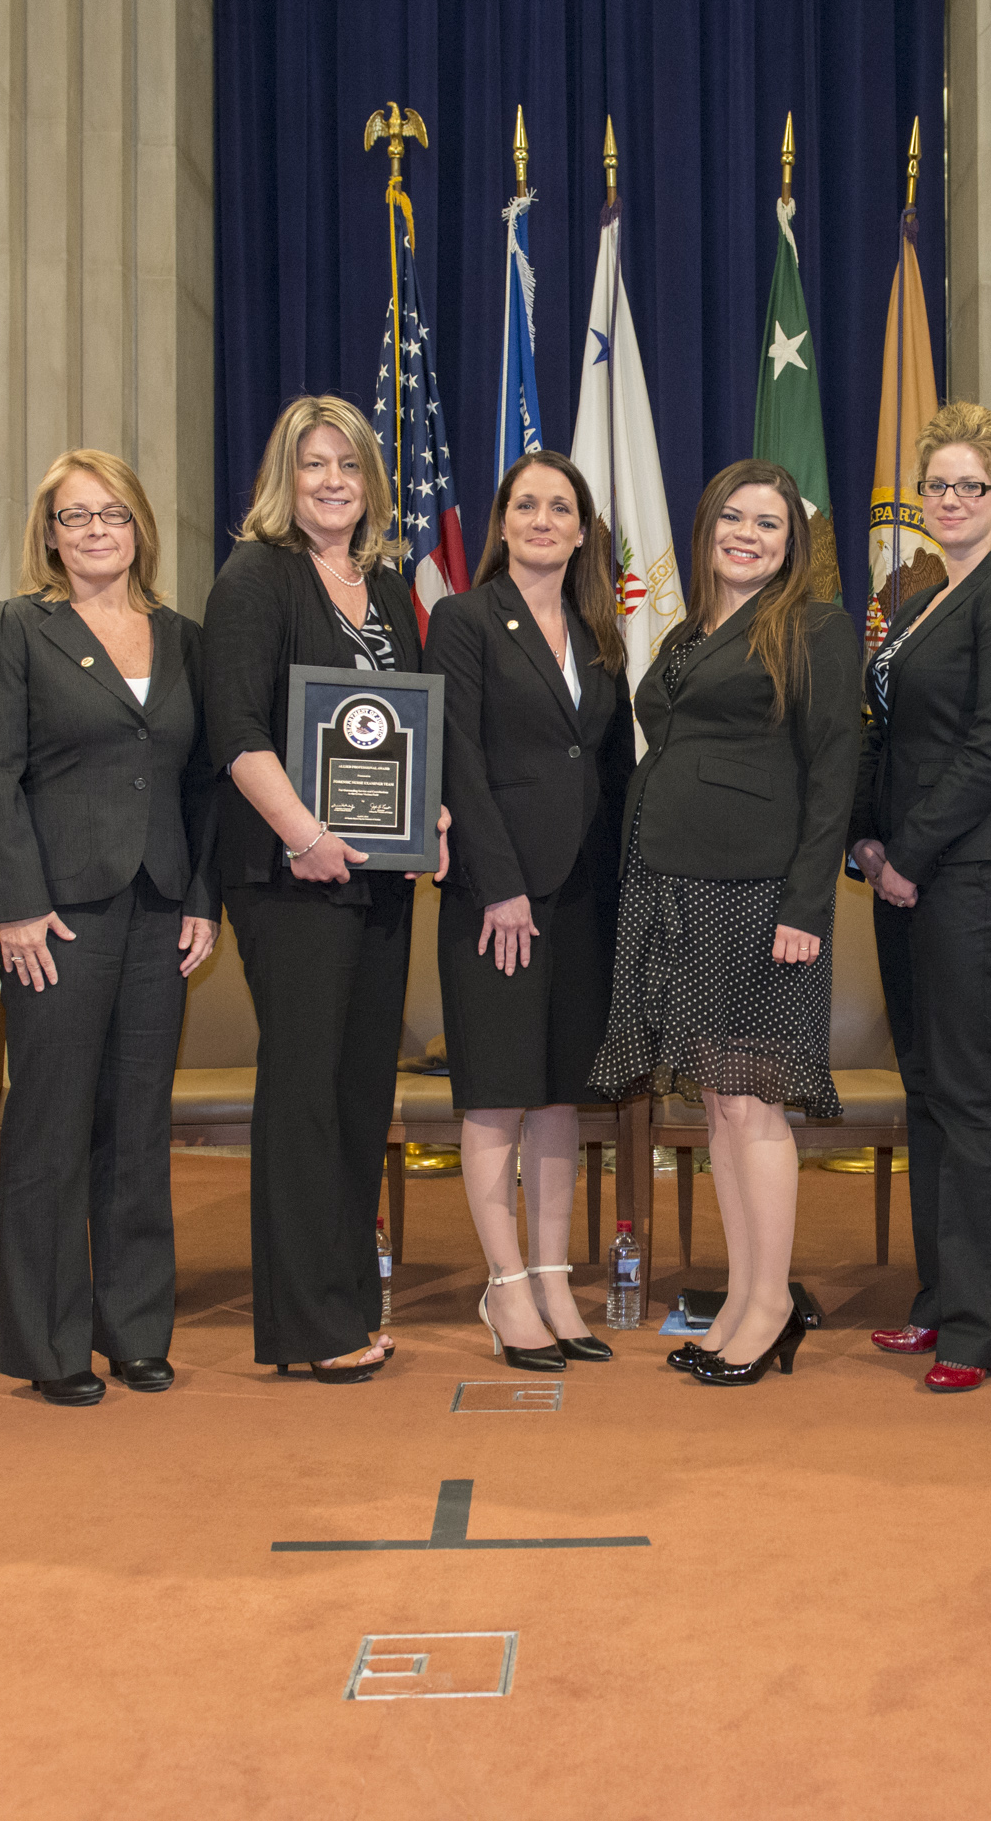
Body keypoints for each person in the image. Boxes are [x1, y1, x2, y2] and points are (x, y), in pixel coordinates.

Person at [588, 461, 863, 1386]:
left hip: (757, 897)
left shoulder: (814, 626)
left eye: (770, 525)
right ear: (707, 529)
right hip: (675, 886)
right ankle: (746, 1300)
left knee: (753, 1107)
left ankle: (772, 1304)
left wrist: (807, 906)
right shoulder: (686, 629)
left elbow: (834, 776)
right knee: (716, 1106)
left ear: (793, 544)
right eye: (734, 519)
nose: (749, 535)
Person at [0, 451, 219, 1407]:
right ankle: (48, 1340)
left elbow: (204, 784)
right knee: (49, 1125)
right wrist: (17, 906)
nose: (97, 530)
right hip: (57, 916)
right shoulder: (15, 630)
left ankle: (135, 1328)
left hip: (160, 908)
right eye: (76, 517)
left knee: (137, 1126)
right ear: (50, 534)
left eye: (113, 514)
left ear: (141, 527)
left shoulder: (184, 639)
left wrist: (202, 898)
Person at [201, 396, 447, 1385]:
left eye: (348, 465)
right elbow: (237, 729)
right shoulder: (257, 578)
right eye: (312, 465)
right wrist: (303, 833)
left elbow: (403, 728)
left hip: (378, 877)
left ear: (372, 481)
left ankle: (347, 1299)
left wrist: (427, 810)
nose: (332, 482)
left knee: (356, 1093)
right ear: (284, 480)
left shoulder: (385, 588)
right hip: (290, 877)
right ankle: (306, 1323)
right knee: (304, 1092)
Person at [849, 404, 991, 1394]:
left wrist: (914, 854)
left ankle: (980, 1325)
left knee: (974, 1093)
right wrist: (865, 836)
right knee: (929, 1089)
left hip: (973, 877)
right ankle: (939, 1300)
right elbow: (884, 733)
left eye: (971, 485)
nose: (951, 500)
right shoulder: (921, 594)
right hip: (906, 877)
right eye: (937, 486)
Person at [428, 453, 636, 1372]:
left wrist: (635, 889)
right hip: (496, 897)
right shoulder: (465, 621)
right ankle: (505, 1284)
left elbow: (614, 772)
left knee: (561, 1093)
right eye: (526, 505)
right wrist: (500, 884)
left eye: (562, 507)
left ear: (583, 528)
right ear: (502, 523)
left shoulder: (601, 632)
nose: (544, 519)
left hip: (586, 894)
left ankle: (554, 1275)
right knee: (498, 1089)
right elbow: (458, 760)